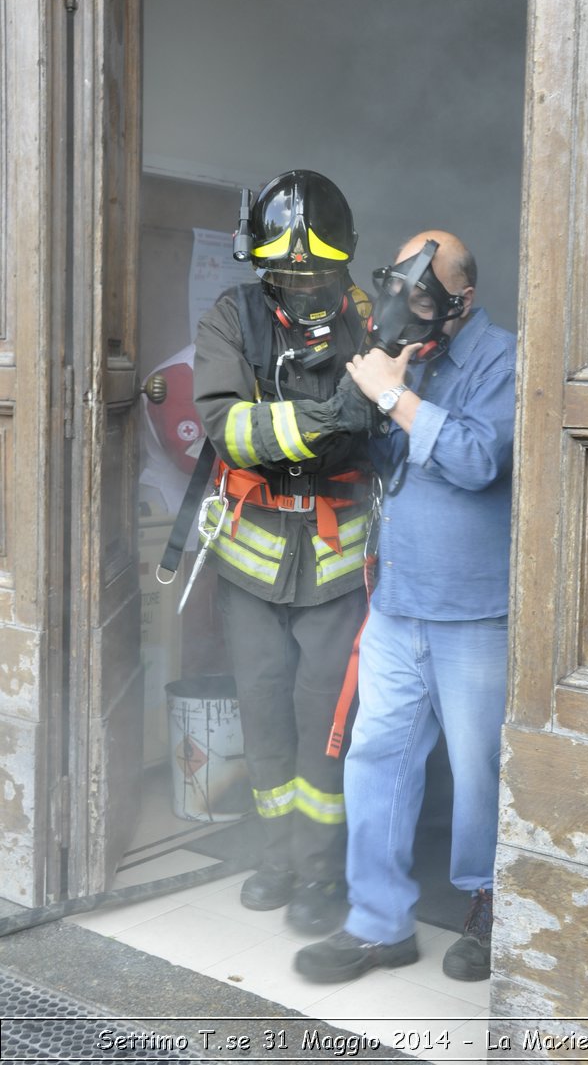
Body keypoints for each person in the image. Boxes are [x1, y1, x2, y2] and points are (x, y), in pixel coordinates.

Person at [294, 229, 516, 984]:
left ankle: (491, 910)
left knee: (481, 771)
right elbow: (381, 461)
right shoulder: (404, 356)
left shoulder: (501, 358)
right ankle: (378, 923)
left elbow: (480, 459)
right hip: (398, 604)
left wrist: (392, 396)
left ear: (465, 295)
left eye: (428, 289)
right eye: (403, 285)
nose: (410, 302)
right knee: (377, 760)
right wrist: (355, 398)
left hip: (475, 612)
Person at [192, 170, 377, 936]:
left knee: (325, 727)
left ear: (343, 263)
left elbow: (384, 421)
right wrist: (324, 416)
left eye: (317, 270)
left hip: (336, 569)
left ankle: (319, 874)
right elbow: (225, 427)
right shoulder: (230, 317)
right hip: (250, 563)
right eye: (287, 269)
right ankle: (272, 859)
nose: (302, 282)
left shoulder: (370, 321)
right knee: (263, 713)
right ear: (261, 263)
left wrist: (353, 413)